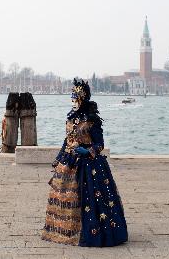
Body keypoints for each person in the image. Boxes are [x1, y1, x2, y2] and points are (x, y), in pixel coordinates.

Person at [41, 79, 128, 247]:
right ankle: (64, 229)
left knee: (91, 199)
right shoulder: (70, 117)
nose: (73, 102)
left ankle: (91, 232)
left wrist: (88, 151)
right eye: (72, 99)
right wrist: (59, 158)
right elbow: (67, 141)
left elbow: (100, 144)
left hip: (89, 165)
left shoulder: (92, 119)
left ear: (83, 99)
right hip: (69, 163)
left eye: (76, 99)